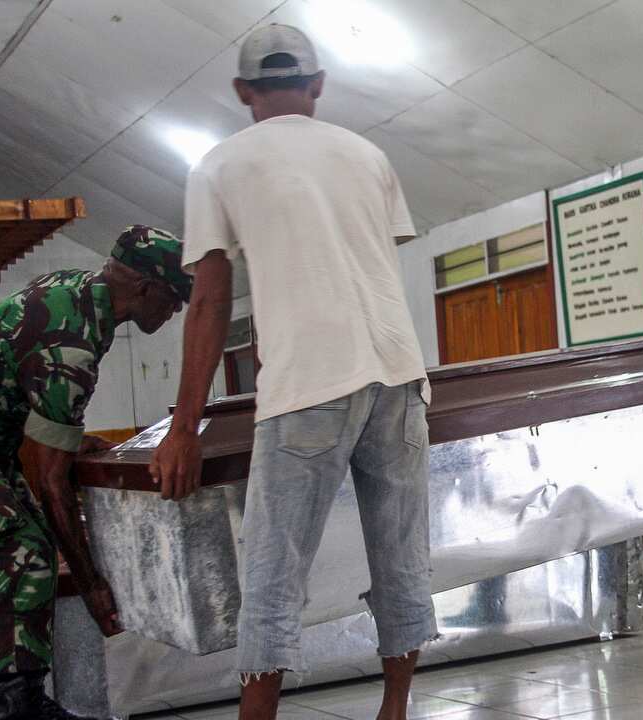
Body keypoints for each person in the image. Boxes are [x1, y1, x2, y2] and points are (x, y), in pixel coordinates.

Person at [150, 23, 436, 720]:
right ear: (316, 86)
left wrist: (182, 427)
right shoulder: (368, 154)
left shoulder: (218, 166)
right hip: (400, 374)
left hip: (309, 381)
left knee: (275, 574)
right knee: (401, 561)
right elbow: (374, 255)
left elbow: (210, 302)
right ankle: (394, 709)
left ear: (244, 91)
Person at [0, 226, 190, 719]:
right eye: (174, 297)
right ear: (144, 286)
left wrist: (70, 442)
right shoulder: (73, 342)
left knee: (28, 552)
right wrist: (92, 585)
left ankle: (22, 698)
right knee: (21, 552)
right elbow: (52, 485)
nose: (175, 310)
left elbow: (34, 401)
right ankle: (20, 708)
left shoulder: (78, 293)